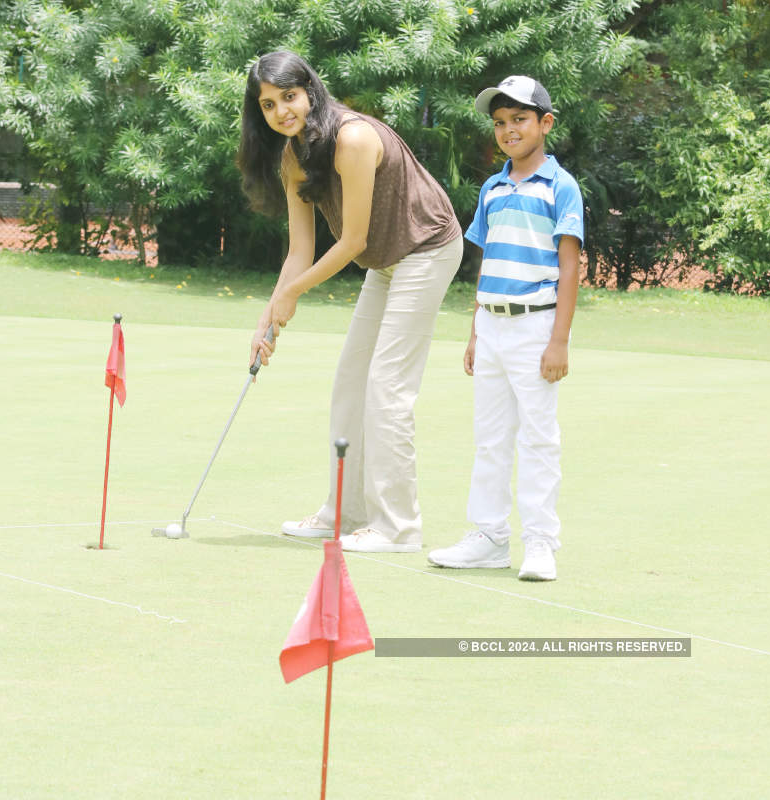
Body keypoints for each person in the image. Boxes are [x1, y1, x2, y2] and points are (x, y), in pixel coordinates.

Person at [239, 51, 463, 552]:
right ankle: (345, 512)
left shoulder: (353, 138)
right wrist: (268, 317)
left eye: (289, 97)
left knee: (387, 387)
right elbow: (299, 250)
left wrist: (294, 293)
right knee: (350, 382)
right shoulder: (294, 156)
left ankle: (398, 527)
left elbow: (352, 241)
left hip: (426, 249)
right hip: (388, 259)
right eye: (268, 105)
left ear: (310, 91)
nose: (281, 112)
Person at [428, 75, 583, 581]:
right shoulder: (492, 188)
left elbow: (568, 266)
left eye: (520, 119)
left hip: (537, 327)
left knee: (538, 438)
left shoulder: (560, 186)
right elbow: (487, 261)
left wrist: (559, 340)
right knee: (491, 438)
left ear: (545, 123)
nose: (509, 130)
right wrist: (476, 330)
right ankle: (490, 537)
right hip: (492, 326)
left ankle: (540, 543)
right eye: (500, 122)